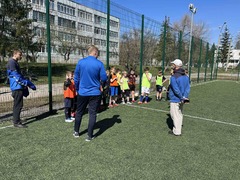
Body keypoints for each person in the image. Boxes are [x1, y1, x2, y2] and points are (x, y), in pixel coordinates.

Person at [73, 45, 107, 141]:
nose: (98, 56)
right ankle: (89, 135)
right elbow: (104, 78)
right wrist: (100, 83)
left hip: (82, 92)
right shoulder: (99, 64)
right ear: (95, 53)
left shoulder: (81, 62)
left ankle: (76, 132)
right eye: (98, 54)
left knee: (79, 112)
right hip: (95, 93)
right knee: (92, 114)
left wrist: (77, 88)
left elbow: (76, 78)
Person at [6, 49, 36, 128]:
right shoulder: (12, 62)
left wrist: (25, 85)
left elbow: (19, 76)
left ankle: (17, 120)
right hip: (16, 87)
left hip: (18, 86)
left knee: (19, 104)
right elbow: (16, 77)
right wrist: (27, 83)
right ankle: (16, 122)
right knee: (18, 105)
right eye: (20, 54)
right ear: (15, 54)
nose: (21, 56)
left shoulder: (15, 62)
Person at [168, 59, 190, 136]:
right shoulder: (186, 76)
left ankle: (177, 131)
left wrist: (181, 97)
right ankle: (177, 129)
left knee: (174, 114)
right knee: (179, 113)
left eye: (173, 64)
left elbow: (176, 89)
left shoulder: (174, 77)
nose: (172, 66)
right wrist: (184, 97)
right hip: (183, 98)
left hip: (175, 98)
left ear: (176, 66)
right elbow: (188, 88)